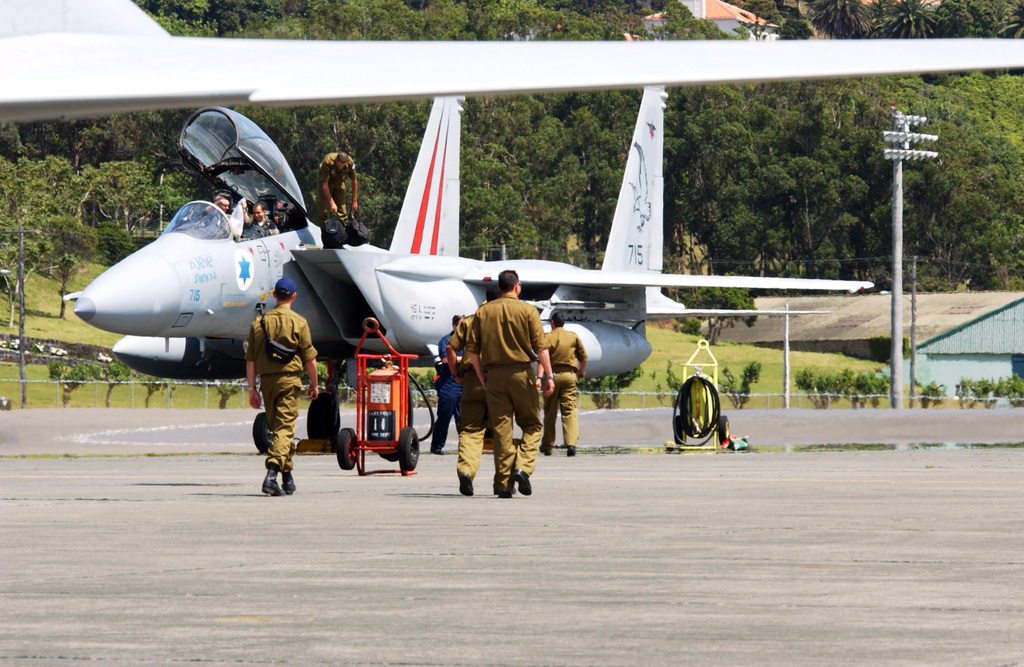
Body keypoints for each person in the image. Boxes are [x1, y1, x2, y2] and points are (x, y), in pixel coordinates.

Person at [468, 270, 554, 498]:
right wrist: (549, 376)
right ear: (517, 287)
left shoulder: (483, 312)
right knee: (533, 425)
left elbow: (473, 351)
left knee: (502, 432)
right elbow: (541, 347)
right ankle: (522, 468)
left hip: (494, 376)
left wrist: (482, 376)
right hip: (521, 374)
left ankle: (503, 485)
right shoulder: (528, 310)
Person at [245, 277, 319, 496]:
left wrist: (252, 389)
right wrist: (314, 384)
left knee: (279, 431)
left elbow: (250, 361)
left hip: (267, 384)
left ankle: (287, 477)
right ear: (293, 296)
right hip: (289, 382)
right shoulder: (299, 322)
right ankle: (272, 474)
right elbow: (310, 359)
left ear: (275, 295)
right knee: (285, 430)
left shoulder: (258, 324)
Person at [447, 286, 500, 497]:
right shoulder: (510, 317)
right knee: (502, 432)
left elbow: (451, 348)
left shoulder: (470, 320)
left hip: (472, 381)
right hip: (499, 380)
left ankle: (466, 471)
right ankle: (505, 479)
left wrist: (455, 374)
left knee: (470, 430)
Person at [540, 312, 588, 457]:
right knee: (569, 411)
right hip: (569, 376)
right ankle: (571, 444)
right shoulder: (573, 336)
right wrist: (581, 371)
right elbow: (583, 357)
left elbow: (542, 358)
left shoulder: (547, 337)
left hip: (552, 376)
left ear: (552, 323)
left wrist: (540, 377)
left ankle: (548, 446)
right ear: (563, 323)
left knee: (550, 412)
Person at [430, 315, 463, 455]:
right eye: (461, 325)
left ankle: (466, 447)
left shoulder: (468, 341)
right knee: (444, 416)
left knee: (464, 418)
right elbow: (445, 359)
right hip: (449, 385)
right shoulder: (446, 340)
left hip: (463, 383)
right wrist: (467, 358)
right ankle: (437, 446)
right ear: (454, 326)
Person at [317, 151, 358, 226]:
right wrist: (332, 203)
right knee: (324, 212)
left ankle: (342, 234)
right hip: (326, 181)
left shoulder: (350, 163)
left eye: (342, 166)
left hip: (339, 181)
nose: (341, 167)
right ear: (336, 160)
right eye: (339, 165)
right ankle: (325, 234)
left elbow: (354, 180)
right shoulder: (328, 162)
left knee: (342, 211)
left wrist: (354, 201)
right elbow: (324, 185)